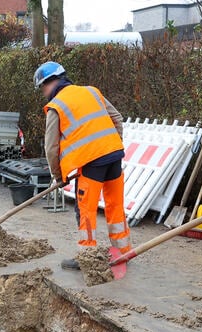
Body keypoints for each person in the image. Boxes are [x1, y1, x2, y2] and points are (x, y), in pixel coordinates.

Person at [36, 61, 132, 270]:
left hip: (91, 163)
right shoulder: (91, 92)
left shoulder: (56, 106)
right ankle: (123, 252)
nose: (43, 94)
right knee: (115, 206)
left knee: (85, 210)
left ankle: (87, 257)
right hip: (114, 156)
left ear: (49, 83)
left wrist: (59, 176)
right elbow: (117, 117)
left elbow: (51, 147)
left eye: (42, 88)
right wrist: (113, 145)